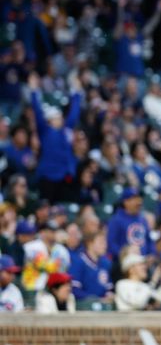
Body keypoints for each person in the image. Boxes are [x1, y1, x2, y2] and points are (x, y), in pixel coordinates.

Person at [28, 74, 82, 203]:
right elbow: (37, 112)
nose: (60, 119)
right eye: (56, 117)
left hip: (65, 176)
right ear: (50, 120)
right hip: (48, 177)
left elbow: (74, 113)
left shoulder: (66, 129)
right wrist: (34, 91)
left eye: (60, 117)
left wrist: (77, 93)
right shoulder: (45, 131)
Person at [107, 188, 154, 259]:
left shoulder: (142, 219)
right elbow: (111, 243)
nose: (139, 202)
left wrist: (151, 254)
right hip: (123, 263)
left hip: (143, 263)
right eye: (134, 199)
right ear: (126, 202)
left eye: (139, 198)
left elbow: (149, 240)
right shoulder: (116, 220)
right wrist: (124, 255)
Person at [68, 230, 113, 300]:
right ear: (90, 244)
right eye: (101, 242)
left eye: (105, 242)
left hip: (102, 306)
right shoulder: (78, 261)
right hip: (83, 307)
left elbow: (108, 289)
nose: (105, 245)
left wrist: (109, 296)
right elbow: (74, 290)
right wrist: (96, 299)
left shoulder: (106, 263)